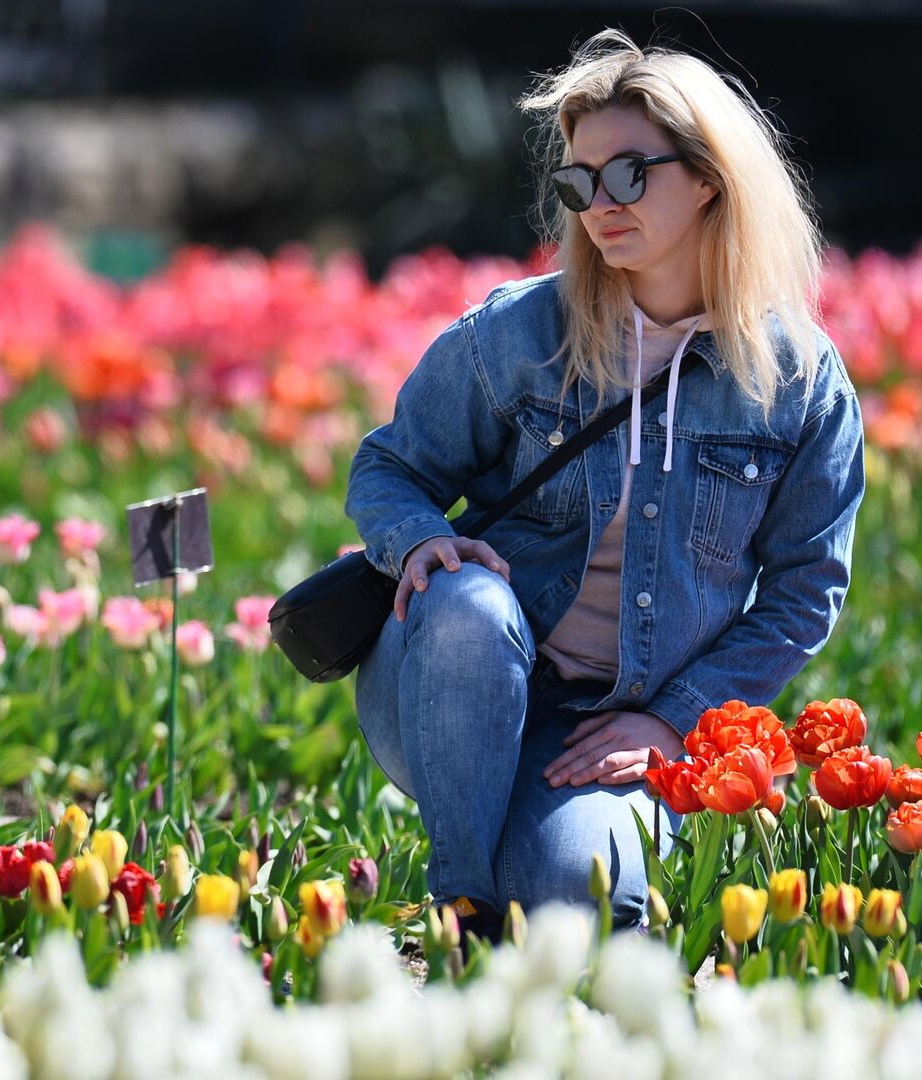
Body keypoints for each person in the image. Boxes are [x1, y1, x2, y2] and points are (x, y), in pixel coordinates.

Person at [344, 31, 863, 937]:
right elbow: (390, 465)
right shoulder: (520, 334)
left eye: (630, 174)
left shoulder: (798, 383)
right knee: (468, 601)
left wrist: (672, 722)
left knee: (578, 898)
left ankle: (517, 867)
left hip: (614, 723)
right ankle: (460, 907)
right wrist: (423, 542)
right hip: (453, 679)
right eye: (582, 183)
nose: (600, 205)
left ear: (709, 177)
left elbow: (805, 590)